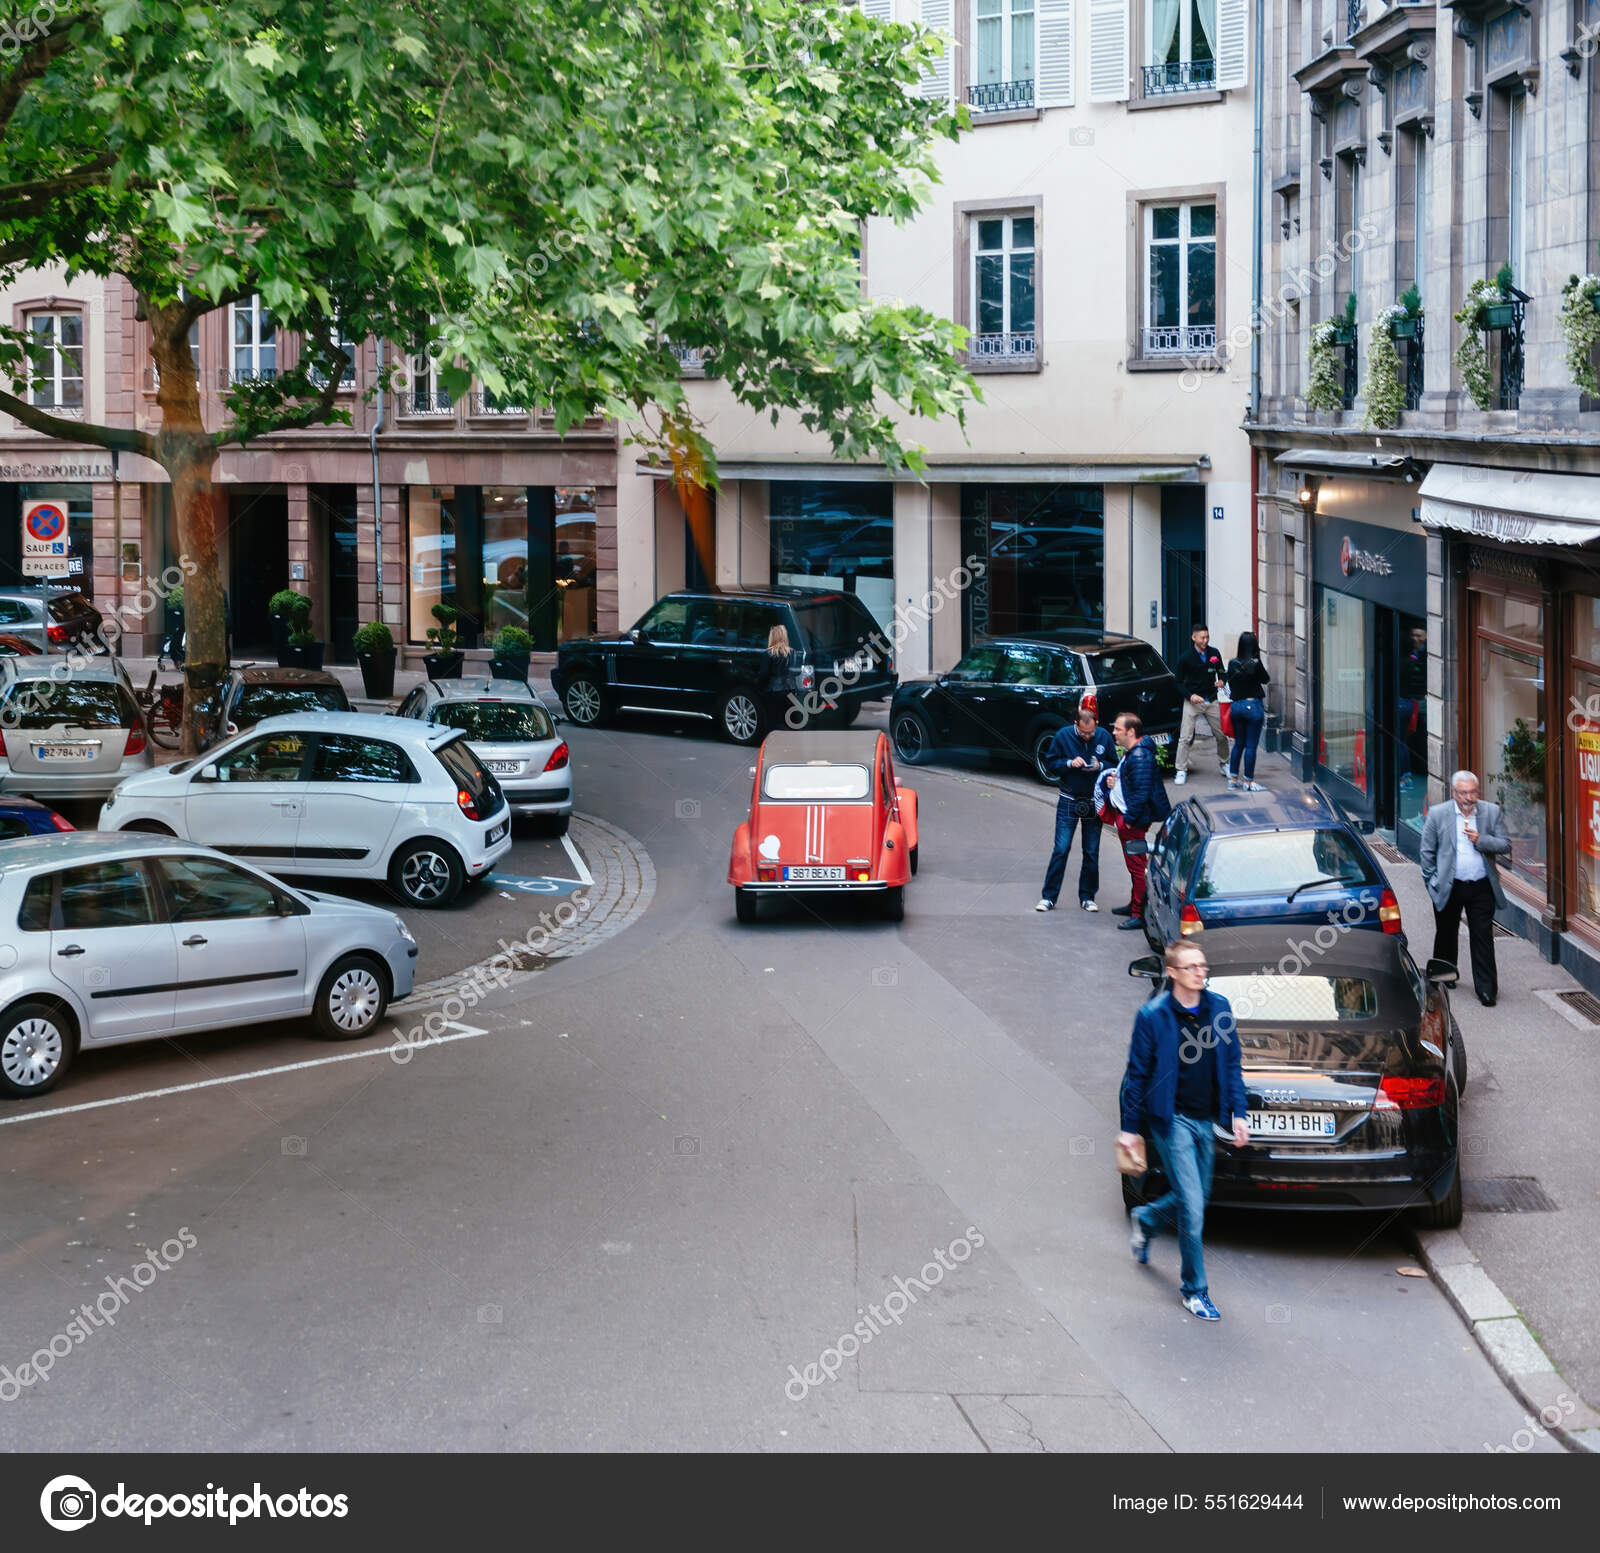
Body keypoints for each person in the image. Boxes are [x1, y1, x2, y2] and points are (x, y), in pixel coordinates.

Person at [1118, 940, 1250, 1322]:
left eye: (1203, 966)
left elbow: (1231, 1065)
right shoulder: (1153, 1016)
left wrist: (1238, 1113)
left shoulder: (1219, 1008)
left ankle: (1146, 1219)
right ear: (1173, 972)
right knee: (1193, 1206)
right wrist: (1130, 1129)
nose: (1200, 972)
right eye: (1191, 967)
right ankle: (1195, 1291)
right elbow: (1137, 1075)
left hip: (1207, 1119)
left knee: (1196, 1198)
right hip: (1170, 1119)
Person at [1420, 770, 1511, 1007]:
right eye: (1463, 793)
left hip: (1481, 886)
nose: (1468, 798)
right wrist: (1432, 884)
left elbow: (1505, 845)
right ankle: (1444, 976)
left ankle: (1487, 990)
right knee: (1446, 931)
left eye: (1472, 792)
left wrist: (1481, 840)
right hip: (1450, 885)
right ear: (1454, 793)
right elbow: (1427, 853)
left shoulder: (1491, 812)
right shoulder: (1439, 815)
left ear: (1478, 792)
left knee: (1482, 937)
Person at [1036, 705, 1118, 913]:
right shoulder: (1063, 736)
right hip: (1069, 799)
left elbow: (1114, 764)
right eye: (1083, 732)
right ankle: (1049, 897)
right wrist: (1070, 763)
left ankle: (1088, 897)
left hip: (1093, 800)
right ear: (1076, 725)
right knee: (1061, 849)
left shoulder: (1104, 736)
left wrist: (1100, 766)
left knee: (1091, 851)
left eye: (1091, 733)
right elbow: (1051, 763)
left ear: (1096, 725)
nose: (1087, 737)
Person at [1109, 712, 1171, 931]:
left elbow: (1141, 793)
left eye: (1118, 728)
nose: (1114, 732)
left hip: (1133, 821)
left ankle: (1140, 912)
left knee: (1137, 867)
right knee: (1133, 865)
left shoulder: (1139, 756)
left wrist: (1128, 819)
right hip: (1130, 818)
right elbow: (1132, 784)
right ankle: (1135, 903)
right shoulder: (1133, 753)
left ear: (1131, 732)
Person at [1173, 623, 1229, 785]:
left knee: (1221, 735)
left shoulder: (1214, 653)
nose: (1205, 640)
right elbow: (1177, 682)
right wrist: (1190, 696)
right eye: (1202, 637)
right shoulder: (1185, 658)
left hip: (1211, 699)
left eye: (1207, 637)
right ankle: (1181, 769)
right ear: (1194, 638)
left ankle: (1224, 763)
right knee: (1185, 737)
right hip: (1193, 701)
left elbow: (1222, 671)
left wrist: (1222, 681)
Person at [1223, 631, 1271, 792]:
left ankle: (1233, 779)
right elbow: (1266, 679)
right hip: (1253, 706)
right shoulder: (1255, 663)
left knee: (1238, 744)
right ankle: (1249, 782)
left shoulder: (1232, 663)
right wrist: (1257, 662)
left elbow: (1230, 679)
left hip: (1236, 707)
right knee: (1251, 746)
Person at [763, 623, 796, 731]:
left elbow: (764, 673)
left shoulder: (769, 653)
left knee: (773, 720)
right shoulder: (792, 653)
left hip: (773, 689)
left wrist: (760, 685)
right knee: (788, 719)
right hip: (790, 688)